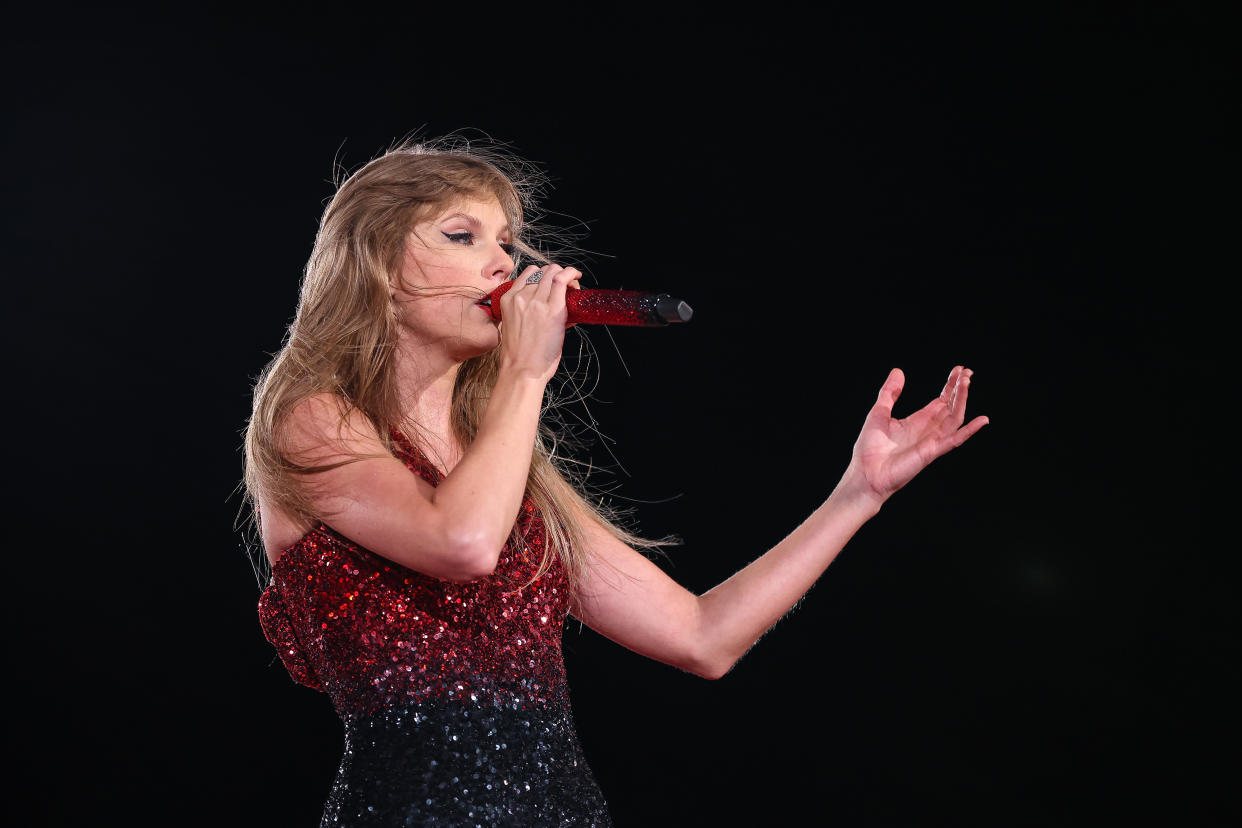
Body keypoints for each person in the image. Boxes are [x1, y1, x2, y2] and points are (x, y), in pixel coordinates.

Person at [241, 137, 988, 827]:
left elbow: (703, 637)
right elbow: (462, 542)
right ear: (375, 263)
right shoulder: (310, 419)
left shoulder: (506, 472)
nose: (504, 264)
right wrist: (529, 371)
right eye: (461, 237)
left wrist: (858, 494)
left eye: (506, 241)